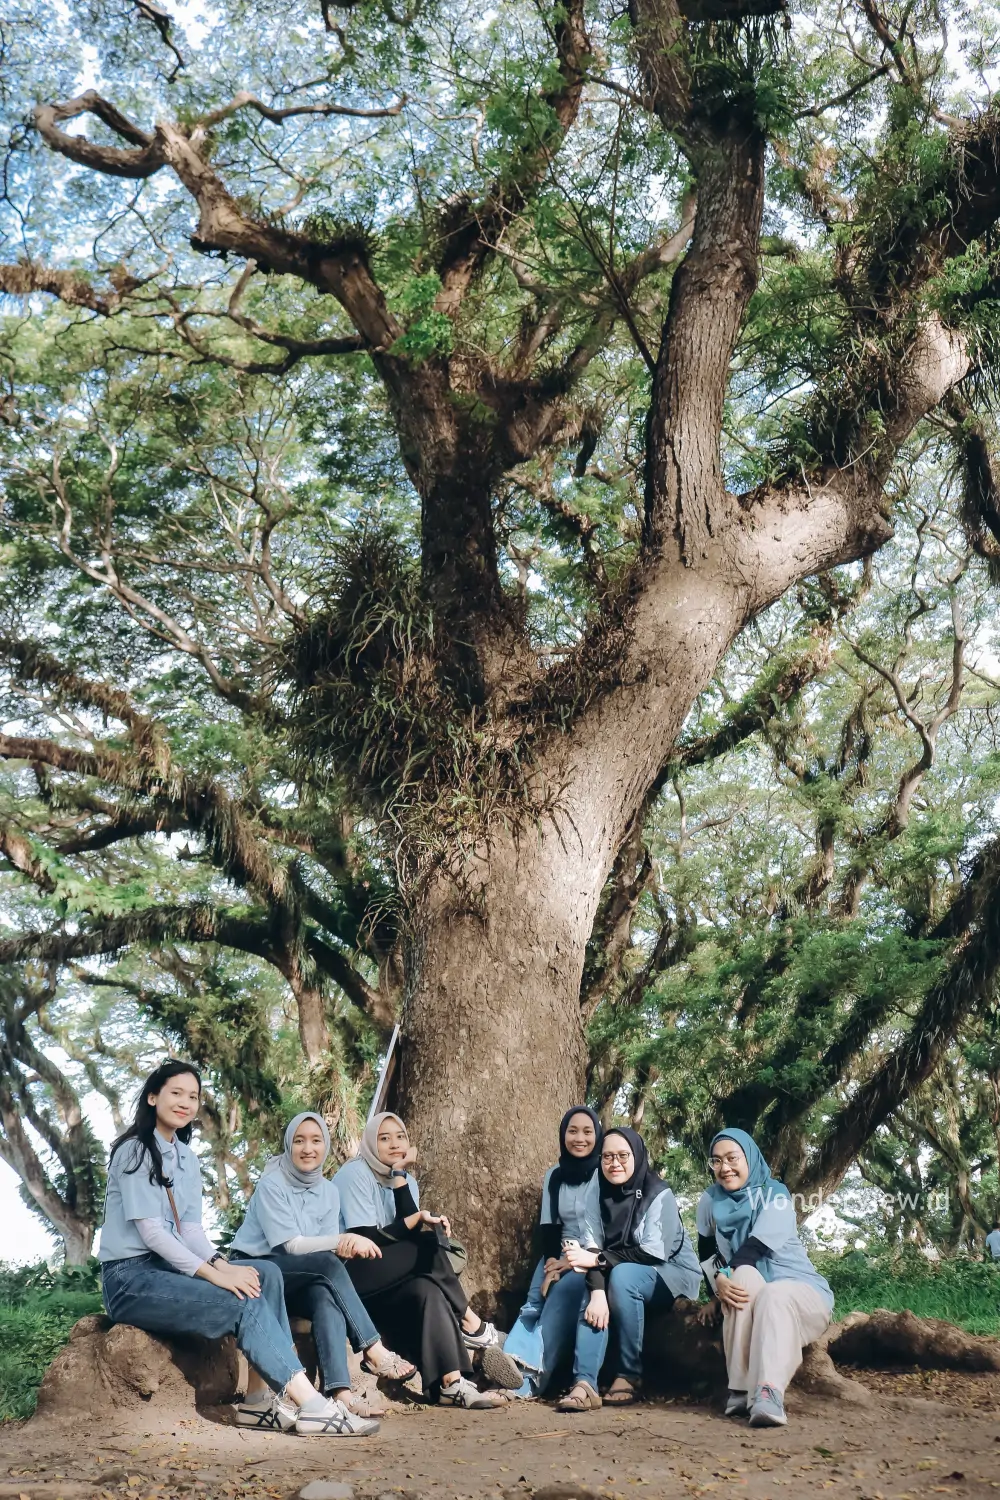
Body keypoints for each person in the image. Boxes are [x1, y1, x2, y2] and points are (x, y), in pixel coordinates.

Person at [98, 1060, 379, 1437]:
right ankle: (313, 1405)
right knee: (241, 1301)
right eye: (175, 1093)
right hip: (130, 1278)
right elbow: (153, 1235)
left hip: (167, 1270)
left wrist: (222, 1264)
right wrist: (216, 1274)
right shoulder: (134, 1151)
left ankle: (258, 1403)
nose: (185, 1102)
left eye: (193, 1096)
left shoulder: (187, 1158)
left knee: (268, 1273)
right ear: (153, 1097)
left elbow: (192, 1230)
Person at [230, 1111, 417, 1416]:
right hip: (256, 1268)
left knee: (325, 1294)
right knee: (329, 1267)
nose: (308, 1149)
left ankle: (340, 1391)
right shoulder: (271, 1185)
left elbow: (322, 1251)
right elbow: (290, 1245)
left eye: (316, 1141)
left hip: (297, 1274)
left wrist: (342, 1246)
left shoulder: (329, 1191)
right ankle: (374, 1349)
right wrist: (343, 1241)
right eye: (299, 1141)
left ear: (325, 1145)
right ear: (289, 1145)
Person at [333, 1111, 521, 1408]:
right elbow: (364, 1240)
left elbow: (405, 1232)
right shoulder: (353, 1174)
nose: (394, 1144)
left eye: (400, 1137)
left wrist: (398, 1176)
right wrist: (417, 1222)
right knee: (428, 1243)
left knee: (428, 1290)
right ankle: (472, 1326)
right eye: (384, 1138)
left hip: (388, 1281)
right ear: (370, 1142)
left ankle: (450, 1384)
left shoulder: (405, 1179)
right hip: (351, 1277)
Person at [696, 1127, 834, 1428]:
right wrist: (715, 1292)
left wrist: (722, 1277)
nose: (724, 1167)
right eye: (716, 1161)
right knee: (743, 1277)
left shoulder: (776, 1194)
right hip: (754, 1289)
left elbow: (752, 1249)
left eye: (732, 1158)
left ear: (749, 1158)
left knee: (772, 1292)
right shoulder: (710, 1200)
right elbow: (706, 1252)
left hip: (800, 1293)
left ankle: (769, 1392)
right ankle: (741, 1388)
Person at [556, 1127, 701, 1411]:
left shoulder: (659, 1194)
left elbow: (651, 1252)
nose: (615, 1163)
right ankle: (584, 1382)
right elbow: (592, 1246)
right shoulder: (595, 1188)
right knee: (595, 1287)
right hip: (620, 1265)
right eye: (607, 1156)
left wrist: (597, 1261)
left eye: (623, 1155)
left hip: (670, 1271)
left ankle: (629, 1374)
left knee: (620, 1276)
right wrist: (598, 1293)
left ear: (637, 1155)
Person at [504, 1106, 604, 1399]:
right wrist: (551, 1265)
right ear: (563, 1135)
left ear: (597, 1135)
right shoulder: (554, 1175)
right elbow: (549, 1225)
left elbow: (600, 1231)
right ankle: (511, 1367)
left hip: (591, 1254)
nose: (580, 1138)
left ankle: (530, 1382)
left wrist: (568, 1264)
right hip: (558, 1251)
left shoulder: (603, 1173)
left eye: (587, 1132)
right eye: (572, 1131)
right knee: (533, 1302)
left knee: (557, 1300)